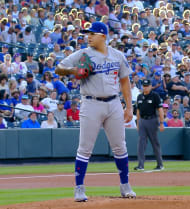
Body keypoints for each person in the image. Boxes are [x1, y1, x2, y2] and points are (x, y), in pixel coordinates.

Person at [55, 22, 136, 201]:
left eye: (92, 34)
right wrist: (73, 70)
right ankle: (79, 188)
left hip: (114, 103)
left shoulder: (117, 55)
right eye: (87, 34)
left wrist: (129, 106)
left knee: (120, 146)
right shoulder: (84, 54)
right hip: (91, 103)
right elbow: (58, 68)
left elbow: (125, 82)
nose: (88, 37)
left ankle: (125, 185)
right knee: (85, 148)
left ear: (103, 36)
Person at [134, 79, 165, 171]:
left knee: (155, 143)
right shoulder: (139, 96)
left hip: (152, 120)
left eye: (147, 86)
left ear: (151, 86)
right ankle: (140, 165)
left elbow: (160, 109)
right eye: (144, 86)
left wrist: (162, 123)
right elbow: (138, 111)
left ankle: (160, 164)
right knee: (141, 143)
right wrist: (138, 123)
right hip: (142, 121)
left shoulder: (155, 95)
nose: (145, 87)